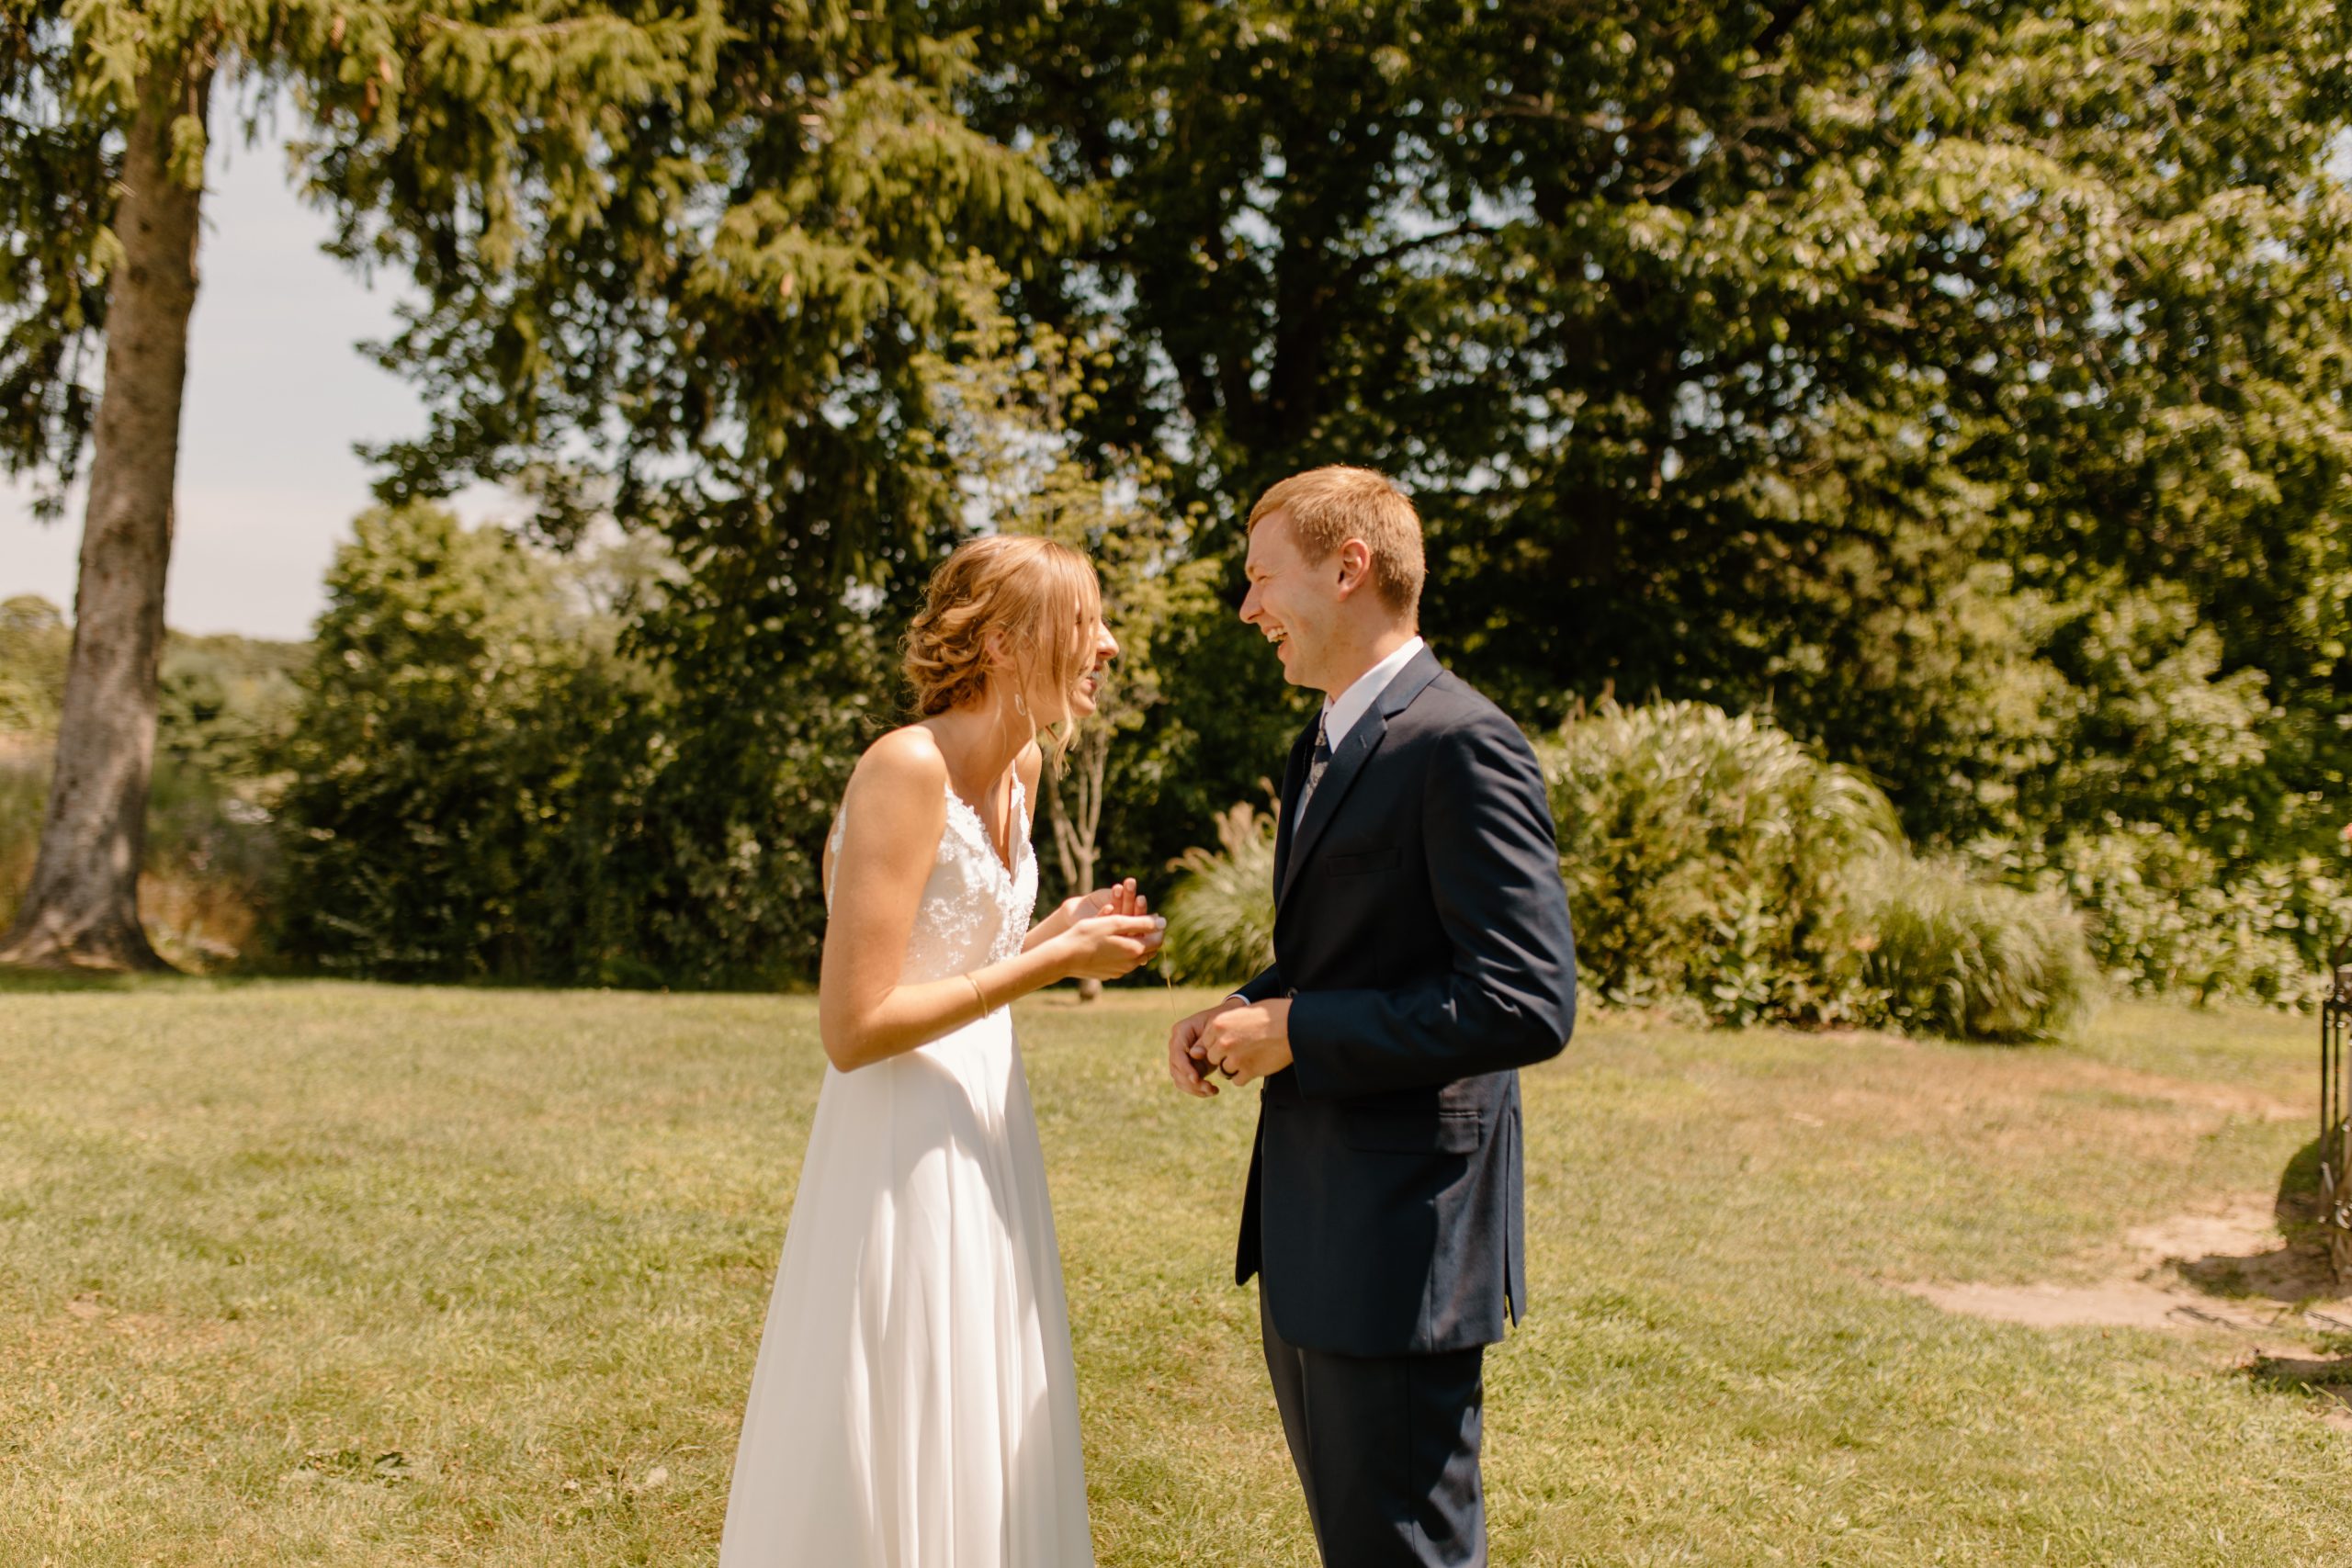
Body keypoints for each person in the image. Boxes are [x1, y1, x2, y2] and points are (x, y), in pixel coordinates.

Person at [718, 534, 1163, 1568]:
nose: (1105, 645)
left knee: (983, 1386)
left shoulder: (1025, 765)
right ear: (1006, 645)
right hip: (897, 1136)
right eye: (1082, 623)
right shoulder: (902, 767)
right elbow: (855, 1028)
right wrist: (1051, 968)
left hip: (986, 1123)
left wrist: (1058, 928)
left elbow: (965, 945)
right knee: (904, 1380)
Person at [1167, 466, 1577, 1568]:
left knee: (1406, 1553)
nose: (1247, 609)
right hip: (1318, 1221)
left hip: (1406, 1237)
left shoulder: (1459, 742)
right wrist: (1247, 1006)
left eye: (1262, 580)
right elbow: (1356, 950)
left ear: (1348, 569)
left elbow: (1525, 1000)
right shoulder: (1322, 741)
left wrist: (1300, 1034)